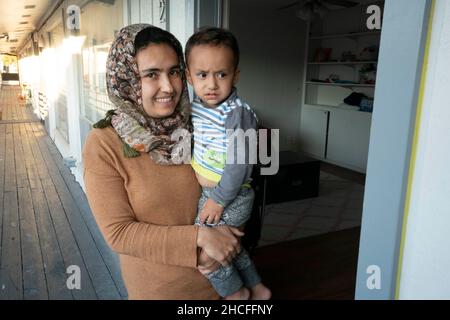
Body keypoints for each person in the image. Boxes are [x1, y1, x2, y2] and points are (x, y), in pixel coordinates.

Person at [82, 24, 244, 300]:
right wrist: (200, 241)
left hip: (225, 282)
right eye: (151, 75)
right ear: (127, 79)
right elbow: (119, 233)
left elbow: (233, 187)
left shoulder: (200, 123)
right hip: (161, 291)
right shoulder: (104, 144)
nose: (168, 87)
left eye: (174, 72)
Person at [185, 27, 271, 300]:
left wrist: (219, 200)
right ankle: (258, 289)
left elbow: (240, 163)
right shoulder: (197, 106)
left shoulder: (238, 113)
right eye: (202, 75)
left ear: (235, 75)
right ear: (189, 76)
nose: (211, 84)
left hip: (230, 195)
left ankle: (236, 295)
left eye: (221, 74)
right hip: (215, 194)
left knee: (204, 256)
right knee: (232, 245)